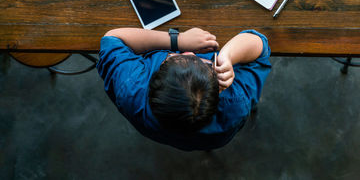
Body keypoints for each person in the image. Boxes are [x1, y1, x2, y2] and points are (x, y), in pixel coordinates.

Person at [97, 27, 271, 151]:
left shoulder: (131, 87)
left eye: (177, 57)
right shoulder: (236, 103)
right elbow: (260, 44)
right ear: (218, 89)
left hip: (160, 134)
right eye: (204, 63)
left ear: (154, 78)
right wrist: (227, 57)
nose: (190, 52)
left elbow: (112, 38)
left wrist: (176, 40)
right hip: (213, 140)